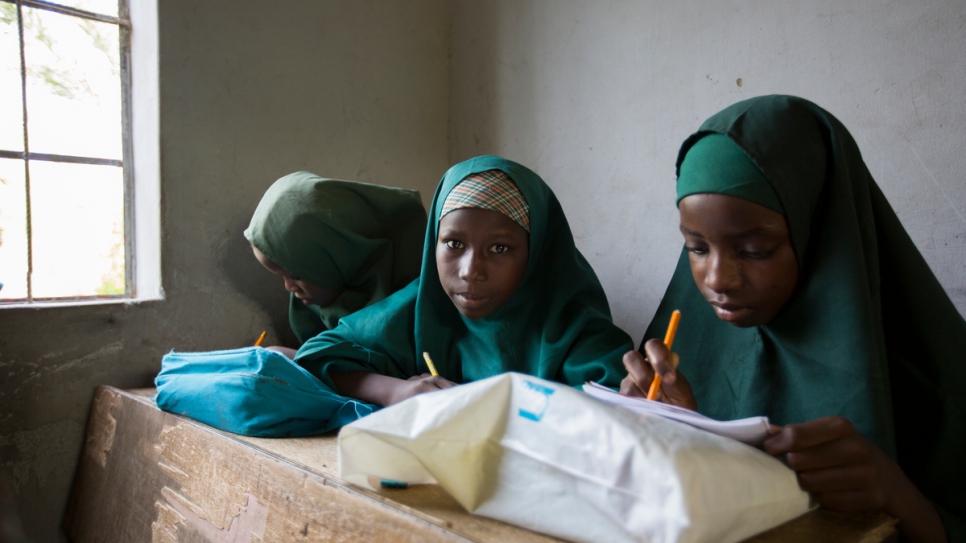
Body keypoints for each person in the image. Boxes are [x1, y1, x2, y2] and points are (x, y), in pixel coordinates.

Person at [621, 95, 964, 543]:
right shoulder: (685, 358)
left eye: (755, 250)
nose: (717, 279)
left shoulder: (936, 374)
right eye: (697, 248)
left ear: (817, 231)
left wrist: (898, 494)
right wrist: (677, 430)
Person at [295, 155, 633, 406]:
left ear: (537, 254)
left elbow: (618, 401)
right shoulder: (419, 310)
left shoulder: (573, 329)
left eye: (500, 248)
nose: (471, 270)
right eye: (454, 244)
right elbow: (317, 355)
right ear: (434, 243)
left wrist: (486, 407)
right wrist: (396, 391)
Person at [244, 172, 427, 357]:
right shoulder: (313, 311)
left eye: (295, 276)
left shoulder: (412, 303)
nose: (289, 287)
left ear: (338, 257)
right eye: (282, 277)